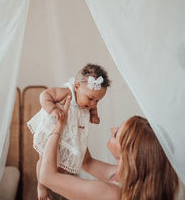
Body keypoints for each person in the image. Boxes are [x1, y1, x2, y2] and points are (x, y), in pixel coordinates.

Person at [39, 96, 179, 200]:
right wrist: (75, 116)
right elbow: (86, 162)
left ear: (128, 152)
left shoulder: (107, 192)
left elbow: (47, 177)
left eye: (116, 133)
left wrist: (57, 126)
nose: (112, 130)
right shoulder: (125, 176)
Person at [27, 63, 111, 200]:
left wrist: (94, 115)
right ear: (77, 87)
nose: (94, 104)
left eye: (98, 101)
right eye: (91, 98)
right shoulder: (67, 92)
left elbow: (92, 107)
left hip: (69, 134)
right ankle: (41, 187)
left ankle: (56, 187)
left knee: (61, 166)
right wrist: (53, 110)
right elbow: (45, 95)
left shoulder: (90, 102)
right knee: (44, 160)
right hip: (52, 129)